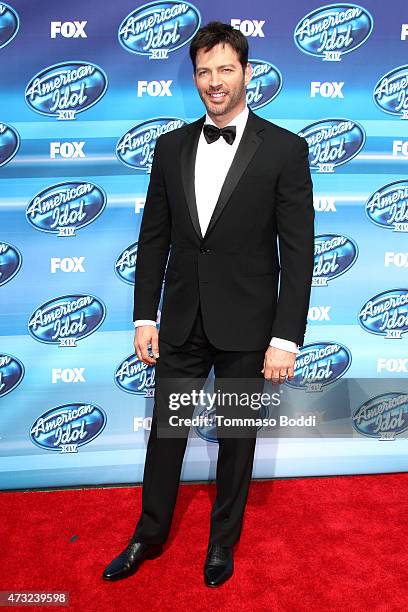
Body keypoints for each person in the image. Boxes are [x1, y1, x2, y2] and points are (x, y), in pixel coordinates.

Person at [103, 21, 314, 587]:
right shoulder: (169, 147)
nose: (215, 82)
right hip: (181, 322)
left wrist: (285, 337)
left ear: (247, 73)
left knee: (237, 440)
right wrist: (144, 314)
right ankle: (148, 535)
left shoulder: (286, 151)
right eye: (204, 71)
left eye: (226, 69)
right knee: (167, 434)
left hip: (249, 327)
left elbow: (298, 253)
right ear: (193, 77)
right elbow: (154, 236)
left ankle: (222, 543)